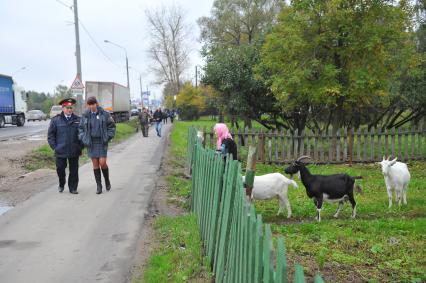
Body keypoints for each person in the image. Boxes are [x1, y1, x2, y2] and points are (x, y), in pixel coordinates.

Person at [78, 96, 116, 194]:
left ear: (96, 104)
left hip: (102, 141)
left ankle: (107, 181)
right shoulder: (85, 115)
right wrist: (83, 138)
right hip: (91, 142)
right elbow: (81, 128)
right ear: (87, 105)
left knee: (102, 163)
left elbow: (111, 127)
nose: (91, 106)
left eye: (93, 104)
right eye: (89, 104)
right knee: (95, 164)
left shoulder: (104, 114)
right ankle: (99, 186)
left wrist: (108, 137)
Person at [47, 98, 83, 194]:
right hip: (60, 150)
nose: (69, 109)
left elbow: (82, 134)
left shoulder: (78, 120)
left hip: (74, 149)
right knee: (60, 168)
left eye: (71, 107)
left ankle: (73, 188)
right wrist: (55, 147)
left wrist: (80, 146)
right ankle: (61, 183)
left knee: (74, 170)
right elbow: (50, 135)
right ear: (63, 108)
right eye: (67, 107)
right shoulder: (56, 120)